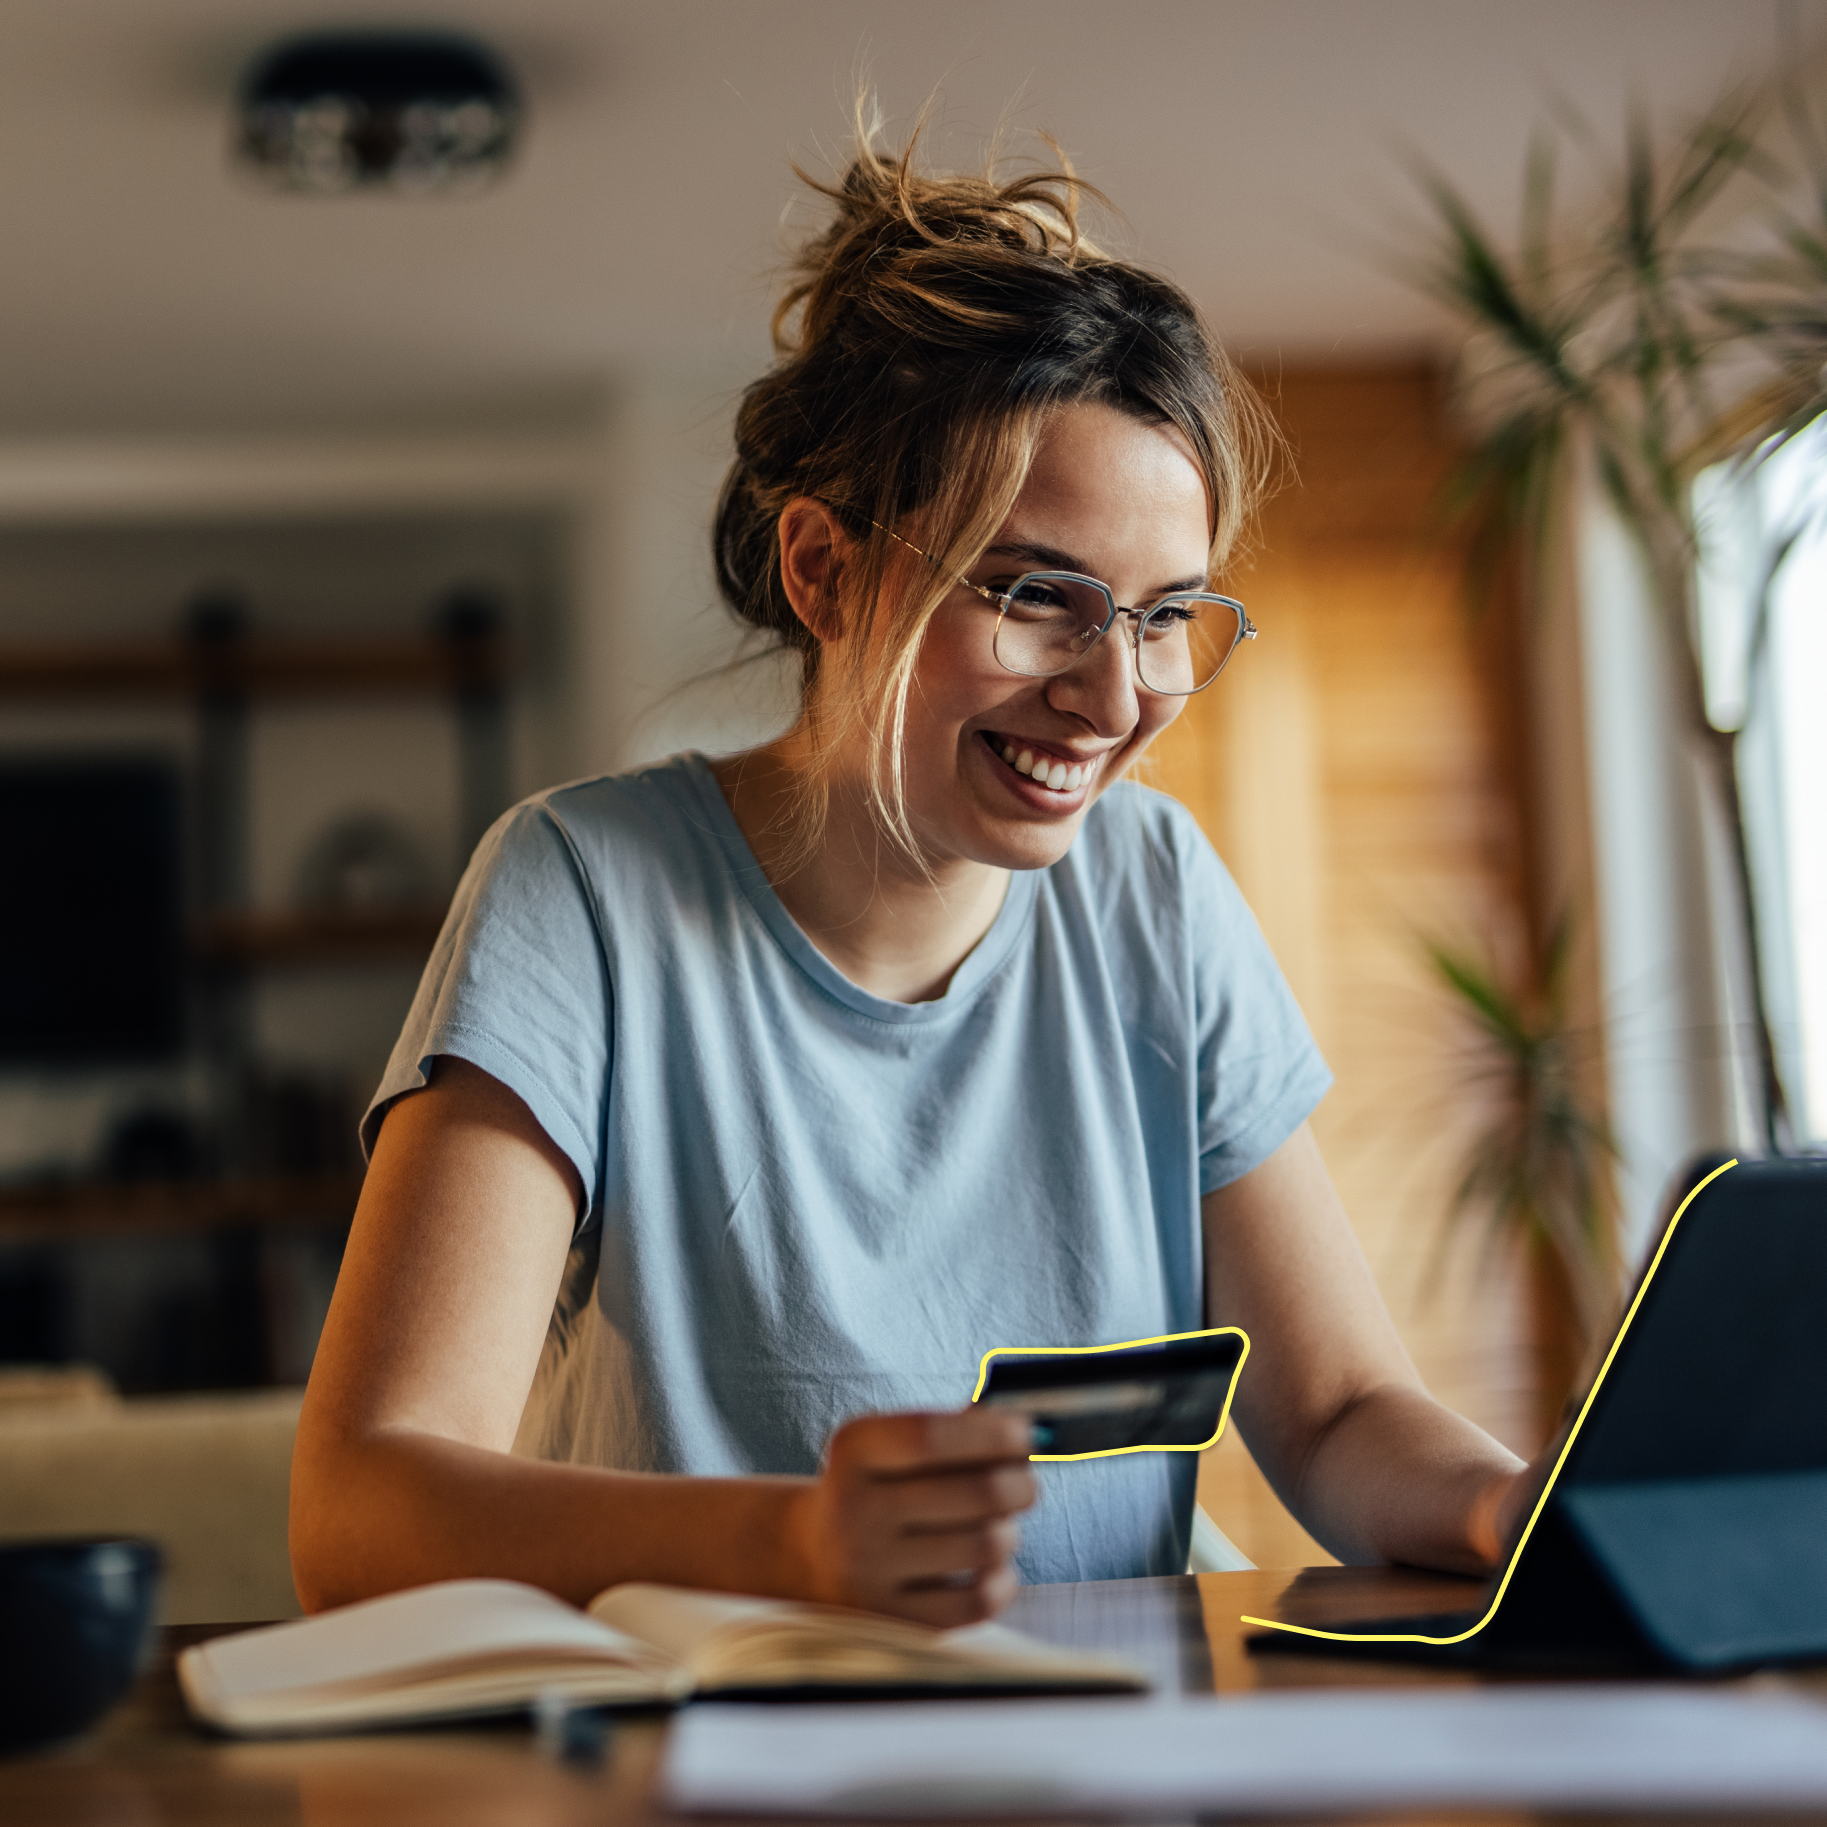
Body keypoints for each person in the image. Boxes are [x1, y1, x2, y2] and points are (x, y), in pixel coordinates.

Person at [290, 132, 1531, 1628]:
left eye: (1163, 616)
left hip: (1110, 1751)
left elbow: (1335, 1415)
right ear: (821, 571)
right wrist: (798, 1548)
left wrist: (1514, 1504)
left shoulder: (1156, 891)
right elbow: (362, 1504)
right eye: (1034, 597)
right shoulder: (581, 893)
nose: (1113, 692)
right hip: (708, 1756)